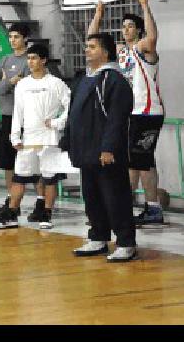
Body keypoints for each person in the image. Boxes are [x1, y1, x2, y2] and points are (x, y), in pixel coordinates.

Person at [88, 0, 166, 226]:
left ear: (138, 30)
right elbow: (92, 39)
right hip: (128, 114)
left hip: (147, 112)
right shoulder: (119, 52)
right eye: (123, 26)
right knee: (142, 161)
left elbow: (152, 38)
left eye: (131, 26)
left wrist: (144, 6)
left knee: (134, 161)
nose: (126, 30)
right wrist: (98, 14)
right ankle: (150, 208)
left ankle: (123, 208)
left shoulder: (143, 49)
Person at [64, 33, 137, 262]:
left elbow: (116, 118)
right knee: (92, 197)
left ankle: (126, 242)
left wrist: (108, 148)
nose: (87, 50)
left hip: (106, 154)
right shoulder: (86, 78)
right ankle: (98, 237)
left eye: (92, 47)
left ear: (105, 52)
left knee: (115, 198)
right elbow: (74, 114)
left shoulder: (114, 80)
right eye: (86, 46)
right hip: (86, 152)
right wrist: (68, 141)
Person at [0, 43, 70, 230]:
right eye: (29, 58)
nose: (30, 61)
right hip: (29, 139)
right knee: (19, 178)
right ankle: (11, 214)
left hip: (49, 139)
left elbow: (70, 106)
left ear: (44, 60)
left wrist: (58, 123)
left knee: (50, 178)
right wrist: (15, 135)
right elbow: (18, 111)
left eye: (34, 58)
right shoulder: (23, 84)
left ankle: (46, 213)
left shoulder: (56, 84)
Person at [0, 24, 46, 223]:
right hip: (7, 116)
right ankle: (11, 201)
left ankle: (41, 202)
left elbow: (31, 84)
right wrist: (8, 83)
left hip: (28, 119)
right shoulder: (4, 60)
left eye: (16, 36)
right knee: (7, 162)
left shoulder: (31, 60)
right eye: (10, 36)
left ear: (25, 38)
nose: (12, 40)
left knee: (33, 161)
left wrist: (17, 83)